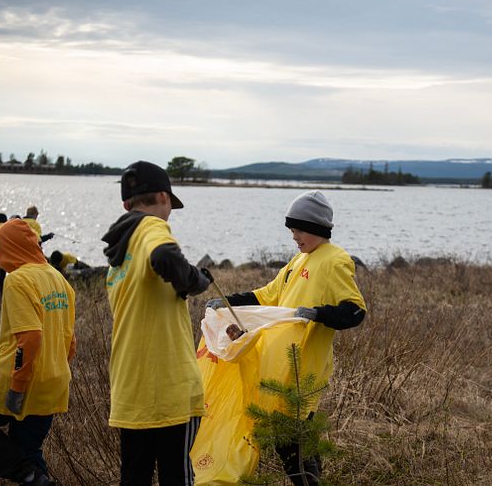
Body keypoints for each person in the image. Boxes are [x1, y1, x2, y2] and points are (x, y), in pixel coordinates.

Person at [206, 190, 367, 485]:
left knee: (291, 441)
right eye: (292, 229)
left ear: (318, 228)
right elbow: (267, 295)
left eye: (299, 229)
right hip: (279, 367)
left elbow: (355, 311)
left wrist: (318, 314)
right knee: (294, 440)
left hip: (303, 371)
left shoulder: (335, 260)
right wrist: (228, 302)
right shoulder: (298, 260)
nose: (294, 236)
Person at [101, 160, 211, 486]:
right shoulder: (151, 227)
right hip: (168, 388)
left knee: (134, 478)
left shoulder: (117, 258)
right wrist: (195, 281)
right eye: (169, 205)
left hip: (130, 390)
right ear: (164, 197)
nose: (169, 213)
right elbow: (164, 257)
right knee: (176, 478)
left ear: (126, 204)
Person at [0, 218, 77, 486]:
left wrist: (17, 387)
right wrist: (54, 369)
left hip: (18, 383)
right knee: (29, 452)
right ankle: (34, 478)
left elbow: (30, 337)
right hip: (53, 382)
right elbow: (70, 343)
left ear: (9, 249)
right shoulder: (60, 280)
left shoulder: (17, 280)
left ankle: (26, 474)